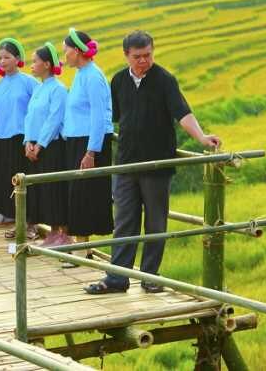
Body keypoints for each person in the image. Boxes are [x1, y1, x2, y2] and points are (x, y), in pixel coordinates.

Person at [85, 30, 223, 295]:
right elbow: (111, 116)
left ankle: (150, 277)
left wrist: (202, 137)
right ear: (126, 56)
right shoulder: (118, 81)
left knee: (156, 223)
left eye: (148, 55)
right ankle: (117, 278)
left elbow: (183, 113)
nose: (143, 61)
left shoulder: (164, 80)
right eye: (137, 57)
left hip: (157, 165)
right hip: (125, 163)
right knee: (124, 221)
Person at [62, 28, 114, 265]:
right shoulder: (81, 74)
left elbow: (98, 117)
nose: (64, 57)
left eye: (66, 51)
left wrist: (91, 151)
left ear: (77, 51)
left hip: (88, 143)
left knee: (83, 195)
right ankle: (82, 246)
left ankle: (83, 250)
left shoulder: (93, 77)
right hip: (76, 141)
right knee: (76, 195)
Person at [0, 38, 38, 239]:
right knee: (7, 183)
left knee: (24, 183)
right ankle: (17, 223)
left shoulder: (30, 83)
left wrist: (33, 139)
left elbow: (37, 112)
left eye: (7, 57)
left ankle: (31, 224)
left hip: (22, 140)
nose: (2, 61)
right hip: (1, 140)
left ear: (18, 59)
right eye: (0, 58)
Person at [24, 43, 69, 245]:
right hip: (34, 147)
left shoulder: (58, 89)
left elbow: (54, 120)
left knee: (54, 190)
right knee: (41, 191)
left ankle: (62, 234)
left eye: (35, 61)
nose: (31, 65)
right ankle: (52, 232)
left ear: (47, 64)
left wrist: (40, 145)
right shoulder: (38, 88)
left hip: (51, 147)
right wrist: (27, 142)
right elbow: (29, 117)